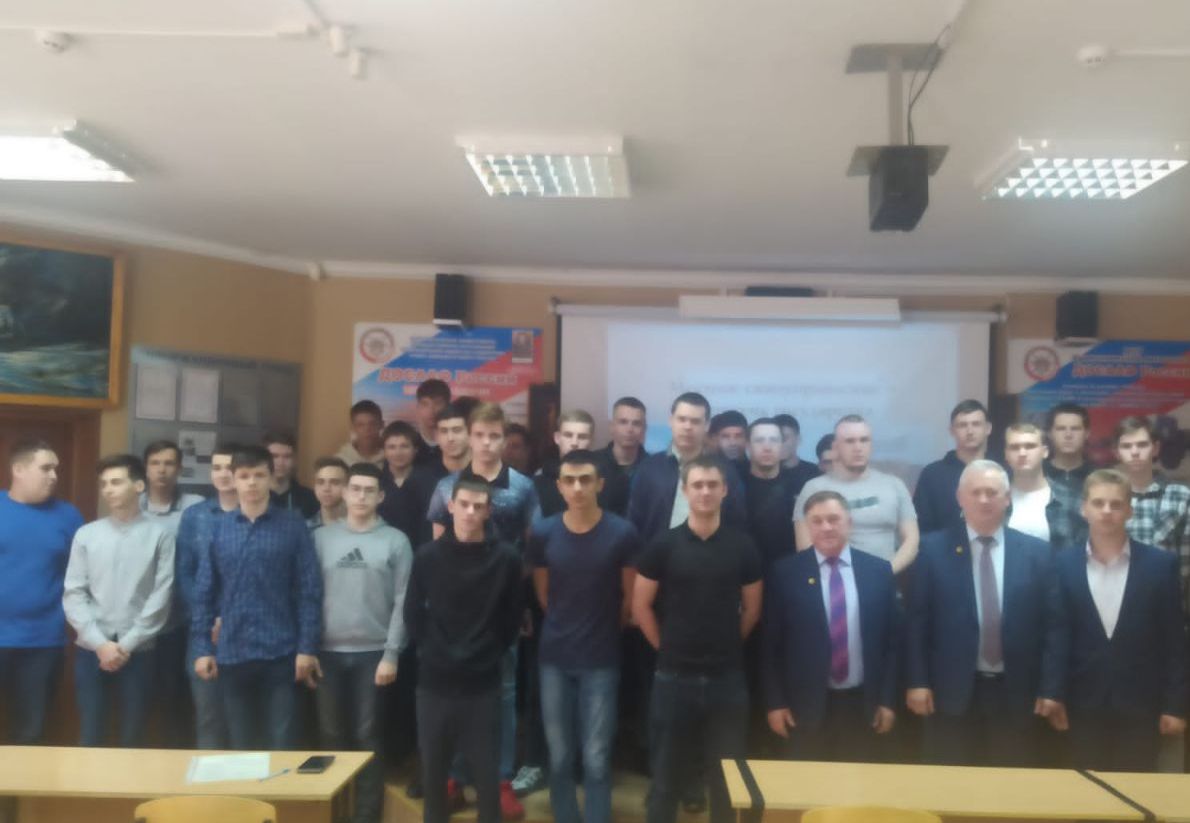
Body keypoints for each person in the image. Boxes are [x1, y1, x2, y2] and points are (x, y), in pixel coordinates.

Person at [633, 456, 762, 823]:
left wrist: (727, 645)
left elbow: (752, 610)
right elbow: (641, 606)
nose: (705, 492)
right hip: (673, 677)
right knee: (665, 778)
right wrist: (666, 648)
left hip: (727, 679)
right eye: (698, 485)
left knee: (727, 780)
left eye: (712, 485)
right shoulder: (662, 544)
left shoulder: (743, 546)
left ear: (725, 490)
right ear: (685, 490)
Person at [426, 402, 540, 819]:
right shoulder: (446, 486)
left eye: (495, 437)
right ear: (468, 437)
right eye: (480, 435)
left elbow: (532, 548)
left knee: (504, 694)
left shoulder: (523, 487)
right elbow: (437, 550)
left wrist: (514, 595)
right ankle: (456, 777)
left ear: (504, 439)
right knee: (457, 694)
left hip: (503, 608)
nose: (487, 444)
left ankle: (502, 778)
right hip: (455, 613)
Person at [906, 460, 1057, 766]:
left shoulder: (1037, 554)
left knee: (1011, 783)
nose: (984, 500)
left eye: (992, 492)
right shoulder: (932, 551)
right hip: (951, 692)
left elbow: (1054, 627)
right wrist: (917, 681)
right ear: (960, 498)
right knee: (951, 784)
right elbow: (917, 623)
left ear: (1007, 498)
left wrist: (1050, 687)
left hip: (1017, 692)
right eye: (975, 492)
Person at [1039, 469, 1188, 772]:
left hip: (1142, 703)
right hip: (1082, 701)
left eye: (1116, 504)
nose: (1107, 511)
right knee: (1087, 791)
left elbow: (1174, 641)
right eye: (1098, 503)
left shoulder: (1160, 566)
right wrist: (1052, 691)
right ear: (1084, 508)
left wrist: (1176, 705)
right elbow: (1057, 634)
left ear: (1129, 510)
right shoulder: (1063, 564)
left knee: (1136, 792)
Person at [405, 477, 524, 823]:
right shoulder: (427, 556)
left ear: (488, 511)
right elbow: (413, 613)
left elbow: (512, 619)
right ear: (451, 507)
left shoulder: (507, 558)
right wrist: (433, 650)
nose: (470, 512)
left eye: (478, 506)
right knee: (434, 775)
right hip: (434, 683)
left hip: (483, 684)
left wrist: (489, 652)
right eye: (464, 505)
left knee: (487, 777)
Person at [530, 450, 639, 823]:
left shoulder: (622, 533)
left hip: (601, 658)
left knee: (596, 756)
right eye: (570, 481)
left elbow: (628, 600)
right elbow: (544, 596)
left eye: (585, 480)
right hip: (554, 658)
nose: (578, 488)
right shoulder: (543, 532)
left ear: (600, 484)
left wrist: (601, 629)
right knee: (560, 756)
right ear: (559, 486)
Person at [191, 445, 323, 750]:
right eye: (244, 476)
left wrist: (307, 647)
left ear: (271, 478)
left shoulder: (293, 525)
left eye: (259, 475)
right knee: (241, 744)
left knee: (283, 742)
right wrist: (202, 648)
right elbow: (204, 591)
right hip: (232, 651)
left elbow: (309, 590)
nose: (251, 482)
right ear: (234, 479)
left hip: (282, 650)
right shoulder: (218, 529)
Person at [762, 491, 899, 762]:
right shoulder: (785, 573)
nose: (826, 527)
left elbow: (892, 643)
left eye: (834, 519)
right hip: (804, 707)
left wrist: (887, 700)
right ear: (807, 526)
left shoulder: (879, 571)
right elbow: (770, 646)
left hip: (864, 706)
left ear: (849, 522)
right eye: (817, 521)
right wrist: (775, 703)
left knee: (858, 784)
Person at [315, 462, 413, 823]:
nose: (361, 496)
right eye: (355, 489)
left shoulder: (396, 541)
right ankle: (332, 812)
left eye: (369, 490)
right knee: (330, 735)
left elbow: (404, 600)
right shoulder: (320, 538)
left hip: (374, 653)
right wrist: (306, 648)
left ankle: (366, 816)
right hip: (325, 652)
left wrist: (392, 653)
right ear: (344, 493)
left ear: (380, 496)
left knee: (367, 735)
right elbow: (306, 596)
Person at [63, 454, 175, 747]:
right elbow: (74, 593)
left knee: (134, 736)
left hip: (138, 650)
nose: (108, 490)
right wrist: (100, 644)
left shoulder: (160, 535)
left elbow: (161, 594)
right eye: (104, 484)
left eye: (115, 482)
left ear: (138, 486)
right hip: (92, 648)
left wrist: (126, 645)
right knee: (91, 732)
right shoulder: (87, 534)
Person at [0, 439, 84, 744]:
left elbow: (81, 577)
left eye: (56, 469)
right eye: (46, 468)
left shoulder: (68, 516)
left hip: (43, 641)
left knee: (32, 732)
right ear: (19, 469)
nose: (54, 476)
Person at [139, 439, 204, 745]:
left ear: (179, 468)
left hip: (180, 619)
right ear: (146, 468)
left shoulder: (194, 506)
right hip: (138, 617)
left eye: (168, 463)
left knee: (176, 697)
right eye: (155, 463)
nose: (161, 470)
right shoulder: (133, 504)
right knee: (139, 699)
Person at [795, 416, 919, 574]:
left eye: (864, 440)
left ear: (871, 445)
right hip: (833, 582)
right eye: (850, 441)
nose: (858, 447)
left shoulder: (894, 485)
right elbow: (805, 546)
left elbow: (911, 540)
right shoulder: (813, 488)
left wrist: (885, 573)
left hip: (887, 578)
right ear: (835, 447)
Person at [174, 442, 238, 749]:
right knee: (208, 716)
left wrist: (230, 617)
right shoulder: (195, 516)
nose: (223, 474)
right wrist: (209, 615)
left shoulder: (259, 514)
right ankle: (209, 779)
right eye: (217, 468)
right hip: (203, 629)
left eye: (230, 468)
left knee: (242, 718)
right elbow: (184, 572)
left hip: (247, 628)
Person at [913, 400, 995, 536]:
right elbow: (922, 527)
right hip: (943, 548)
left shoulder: (1001, 471)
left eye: (976, 424)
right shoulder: (932, 475)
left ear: (988, 428)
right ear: (952, 430)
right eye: (962, 425)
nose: (970, 431)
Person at [1003, 423, 1087, 549]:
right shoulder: (994, 498)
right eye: (1014, 447)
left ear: (1045, 452)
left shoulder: (1072, 498)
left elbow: (1083, 549)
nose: (1022, 453)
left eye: (1030, 446)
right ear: (1006, 454)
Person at [743, 418, 802, 569]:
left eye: (774, 440)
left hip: (788, 571)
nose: (767, 447)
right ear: (747, 445)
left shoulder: (800, 486)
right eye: (759, 440)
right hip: (743, 571)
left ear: (782, 445)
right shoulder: (734, 485)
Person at [377, 421, 437, 546]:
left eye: (404, 446)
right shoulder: (377, 482)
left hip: (422, 549)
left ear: (415, 449)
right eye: (391, 447)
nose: (398, 452)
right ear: (384, 451)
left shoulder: (430, 480)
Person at [265, 430, 319, 519]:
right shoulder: (253, 495)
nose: (281, 463)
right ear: (264, 459)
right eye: (274, 456)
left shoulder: (310, 498)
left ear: (294, 460)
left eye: (287, 457)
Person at [1044, 403, 1095, 495]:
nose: (1068, 435)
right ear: (1049, 433)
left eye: (1075, 429)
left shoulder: (1099, 475)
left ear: (1087, 433)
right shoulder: (1037, 473)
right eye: (1061, 429)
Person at [773, 413, 823, 494]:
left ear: (798, 439)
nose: (780, 444)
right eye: (775, 439)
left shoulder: (814, 473)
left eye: (784, 438)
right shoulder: (763, 473)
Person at [337, 400, 386, 468]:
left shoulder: (393, 459)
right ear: (352, 427)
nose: (367, 429)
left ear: (382, 425)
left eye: (372, 424)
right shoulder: (340, 462)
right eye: (360, 425)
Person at [415, 379, 452, 465]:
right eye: (425, 404)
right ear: (418, 407)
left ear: (447, 406)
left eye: (438, 403)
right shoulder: (410, 441)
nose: (431, 410)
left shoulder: (455, 442)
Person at [309, 456, 349, 531]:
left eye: (335, 482)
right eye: (320, 482)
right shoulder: (305, 529)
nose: (326, 488)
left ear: (347, 487)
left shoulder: (359, 526)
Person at [710, 410, 749, 475]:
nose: (732, 443)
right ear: (715, 439)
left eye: (738, 436)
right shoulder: (706, 472)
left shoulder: (757, 471)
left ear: (746, 438)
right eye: (725, 436)